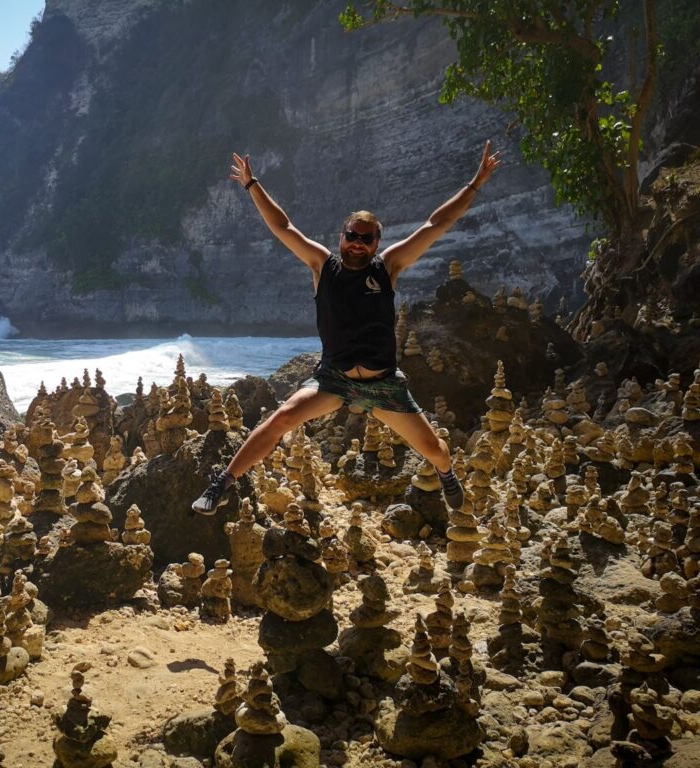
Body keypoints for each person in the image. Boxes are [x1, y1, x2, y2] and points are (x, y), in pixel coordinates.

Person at [191, 140, 502, 515]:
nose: (356, 243)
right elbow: (282, 225)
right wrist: (252, 184)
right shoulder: (323, 266)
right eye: (351, 235)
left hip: (383, 383)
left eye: (365, 238)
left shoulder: (387, 268)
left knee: (435, 449)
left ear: (376, 243)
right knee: (282, 418)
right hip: (333, 381)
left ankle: (447, 472)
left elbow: (437, 224)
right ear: (341, 237)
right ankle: (222, 482)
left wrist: (476, 183)